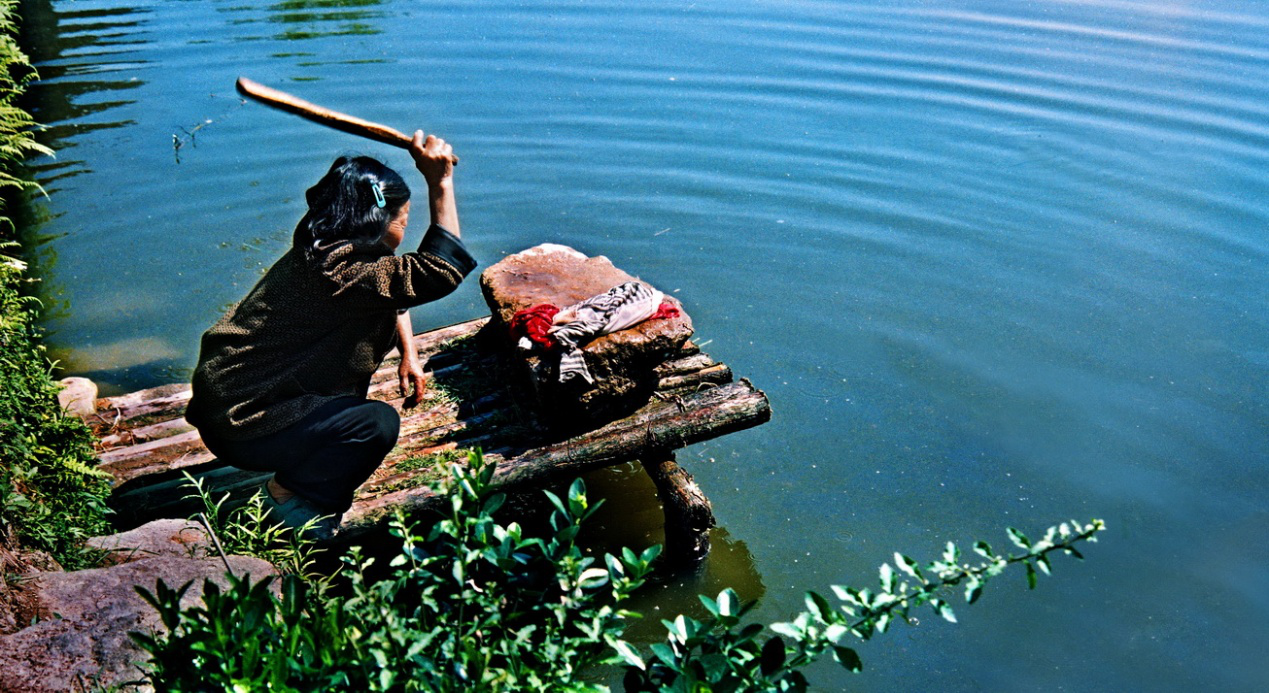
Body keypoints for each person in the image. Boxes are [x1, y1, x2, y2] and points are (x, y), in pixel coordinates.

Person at [185, 131, 476, 540]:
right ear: (377, 221)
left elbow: (388, 290)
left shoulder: (327, 245)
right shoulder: (338, 271)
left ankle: (296, 468)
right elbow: (439, 270)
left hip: (232, 404)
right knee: (374, 424)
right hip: (241, 426)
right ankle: (288, 498)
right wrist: (440, 183)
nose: (405, 230)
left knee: (359, 414)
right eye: (404, 220)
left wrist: (408, 352)